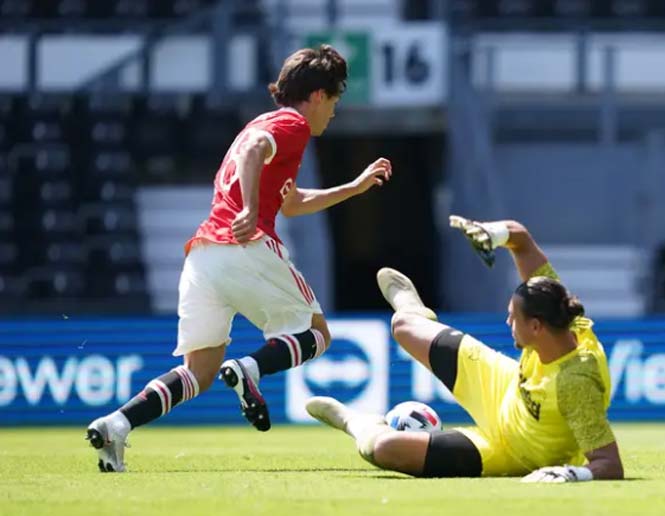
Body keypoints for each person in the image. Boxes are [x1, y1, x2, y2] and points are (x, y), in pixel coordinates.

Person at [86, 44, 393, 472]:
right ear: (319, 95)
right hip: (244, 247)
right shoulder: (292, 123)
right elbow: (254, 158)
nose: (334, 113)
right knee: (317, 333)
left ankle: (116, 424)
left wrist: (352, 188)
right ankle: (250, 369)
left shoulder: (261, 125)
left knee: (199, 372)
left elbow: (290, 201)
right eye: (336, 101)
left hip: (203, 258)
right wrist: (250, 208)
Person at [306, 215, 624, 483]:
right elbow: (522, 240)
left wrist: (570, 474)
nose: (507, 321)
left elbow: (609, 463)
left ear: (537, 327)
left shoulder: (575, 382)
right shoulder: (557, 308)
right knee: (402, 326)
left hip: (508, 450)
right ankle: (416, 312)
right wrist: (493, 233)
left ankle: (352, 420)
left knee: (382, 448)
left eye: (514, 318)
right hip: (502, 386)